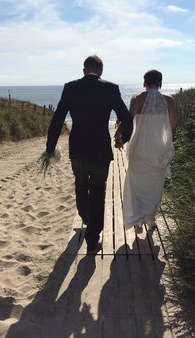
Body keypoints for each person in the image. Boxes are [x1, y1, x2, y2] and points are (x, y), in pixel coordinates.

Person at [45, 55, 133, 254]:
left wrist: (50, 147)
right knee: (98, 191)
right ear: (101, 70)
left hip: (77, 148)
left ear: (84, 70)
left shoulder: (70, 87)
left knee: (80, 184)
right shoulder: (111, 88)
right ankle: (93, 239)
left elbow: (57, 118)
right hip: (101, 149)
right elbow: (126, 117)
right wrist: (123, 139)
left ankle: (86, 217)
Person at [122, 69, 177, 234]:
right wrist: (166, 144)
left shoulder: (137, 99)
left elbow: (128, 121)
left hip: (139, 149)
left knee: (136, 186)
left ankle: (137, 221)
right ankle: (151, 219)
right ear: (160, 83)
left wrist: (120, 137)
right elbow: (173, 126)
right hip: (158, 150)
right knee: (155, 187)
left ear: (144, 82)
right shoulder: (169, 100)